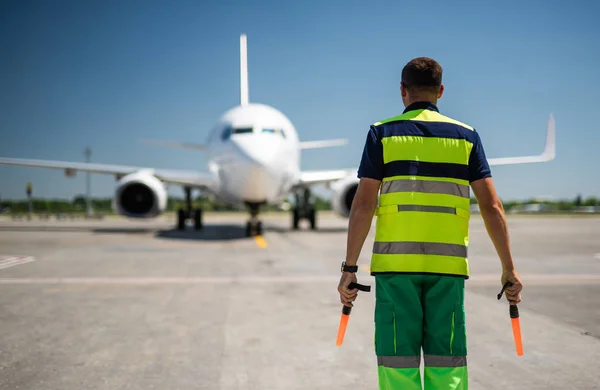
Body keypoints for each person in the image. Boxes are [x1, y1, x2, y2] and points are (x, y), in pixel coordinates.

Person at [337, 57, 523, 390]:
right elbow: (491, 205)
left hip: (396, 269)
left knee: (397, 363)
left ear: (402, 91)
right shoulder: (466, 137)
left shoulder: (382, 134)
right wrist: (509, 269)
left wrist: (349, 268)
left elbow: (364, 203)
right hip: (447, 269)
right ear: (440, 91)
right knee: (446, 362)